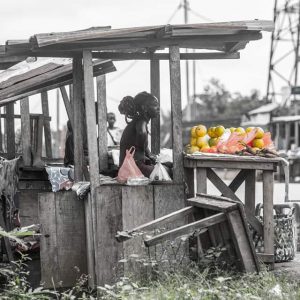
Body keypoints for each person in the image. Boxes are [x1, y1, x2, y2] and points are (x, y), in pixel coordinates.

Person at [118, 91, 160, 177]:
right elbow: (141, 133)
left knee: (163, 167)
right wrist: (143, 150)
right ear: (144, 108)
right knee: (168, 171)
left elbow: (142, 146)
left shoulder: (137, 121)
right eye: (155, 105)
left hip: (131, 166)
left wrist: (149, 154)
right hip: (133, 167)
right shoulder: (141, 122)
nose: (158, 108)